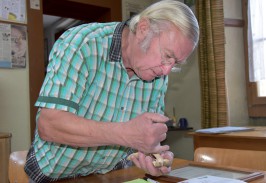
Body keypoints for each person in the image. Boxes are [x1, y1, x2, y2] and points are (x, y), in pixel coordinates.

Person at [24, 0, 199, 182]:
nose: (166, 71)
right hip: (53, 176)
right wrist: (125, 134)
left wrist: (153, 157)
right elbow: (49, 125)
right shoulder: (83, 44)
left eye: (175, 64)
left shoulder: (158, 73)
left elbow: (142, 139)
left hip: (111, 175)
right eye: (167, 56)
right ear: (143, 29)